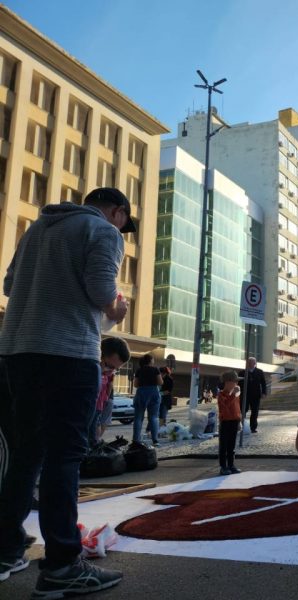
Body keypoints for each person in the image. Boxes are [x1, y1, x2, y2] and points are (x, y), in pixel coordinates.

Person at [0, 187, 133, 595]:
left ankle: (5, 550)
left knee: (25, 458)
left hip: (18, 353)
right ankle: (61, 565)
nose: (123, 231)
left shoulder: (37, 229)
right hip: (69, 354)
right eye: (124, 223)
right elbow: (99, 290)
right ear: (116, 211)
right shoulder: (104, 232)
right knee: (63, 460)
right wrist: (116, 309)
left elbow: (8, 285)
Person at [88, 337, 131, 448]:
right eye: (109, 366)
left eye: (115, 369)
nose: (110, 371)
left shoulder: (106, 374)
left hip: (97, 407)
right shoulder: (86, 373)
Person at [132, 354, 163, 447]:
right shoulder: (155, 369)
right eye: (153, 359)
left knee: (138, 417)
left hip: (141, 392)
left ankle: (136, 440)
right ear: (150, 360)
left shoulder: (139, 370)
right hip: (154, 392)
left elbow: (135, 384)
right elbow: (160, 382)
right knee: (153, 417)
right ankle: (155, 441)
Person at [217, 371, 242, 476]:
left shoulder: (236, 394)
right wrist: (233, 394)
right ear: (228, 382)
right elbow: (226, 405)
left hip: (234, 421)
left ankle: (231, 465)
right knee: (224, 446)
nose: (236, 384)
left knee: (231, 445)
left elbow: (237, 408)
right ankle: (223, 466)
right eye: (234, 382)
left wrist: (239, 420)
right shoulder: (221, 394)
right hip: (225, 422)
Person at [239, 357, 267, 433]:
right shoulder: (242, 372)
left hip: (256, 395)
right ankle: (242, 426)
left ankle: (253, 427)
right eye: (248, 362)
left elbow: (263, 383)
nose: (249, 364)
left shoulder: (260, 372)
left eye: (251, 362)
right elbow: (238, 384)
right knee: (243, 411)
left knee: (255, 412)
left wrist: (264, 393)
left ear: (255, 363)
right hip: (245, 395)